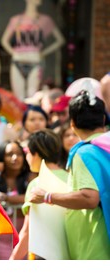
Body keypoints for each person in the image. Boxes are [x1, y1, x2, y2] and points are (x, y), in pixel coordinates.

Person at [29, 90, 110, 259]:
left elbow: (89, 198)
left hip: (95, 249)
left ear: (72, 123)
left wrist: (48, 196)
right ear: (103, 119)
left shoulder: (86, 153)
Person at [9, 129, 69, 260]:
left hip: (43, 255)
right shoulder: (71, 178)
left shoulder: (36, 185)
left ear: (35, 154)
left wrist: (12, 261)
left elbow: (27, 231)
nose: (26, 158)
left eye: (26, 152)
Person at [1, 0, 65, 101]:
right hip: (17, 60)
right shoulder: (16, 20)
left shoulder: (45, 20)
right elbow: (4, 41)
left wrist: (43, 53)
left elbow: (60, 40)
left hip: (35, 61)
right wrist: (13, 52)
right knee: (18, 98)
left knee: (32, 97)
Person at [0, 140, 30, 259]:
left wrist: (6, 198)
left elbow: (30, 196)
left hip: (23, 241)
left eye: (19, 154)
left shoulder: (29, 176)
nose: (15, 158)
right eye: (9, 154)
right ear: (2, 158)